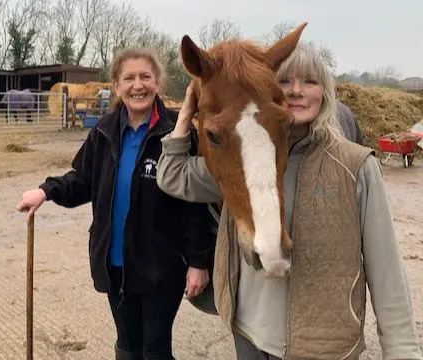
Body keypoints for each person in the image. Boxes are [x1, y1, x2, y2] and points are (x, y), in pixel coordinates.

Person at [155, 42, 422, 360]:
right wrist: (188, 107)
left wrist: (402, 349)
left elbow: (386, 269)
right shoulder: (244, 159)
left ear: (325, 91)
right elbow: (172, 175)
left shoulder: (355, 166)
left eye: (309, 82)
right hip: (248, 332)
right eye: (284, 81)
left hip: (320, 344)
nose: (296, 91)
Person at [16, 47, 218, 360]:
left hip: (161, 266)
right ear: (116, 86)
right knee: (126, 346)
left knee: (154, 348)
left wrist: (198, 262)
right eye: (129, 78)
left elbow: (195, 205)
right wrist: (46, 191)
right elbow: (83, 180)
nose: (138, 85)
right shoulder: (104, 132)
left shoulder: (178, 133)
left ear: (158, 84)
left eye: (145, 77)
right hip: (115, 264)